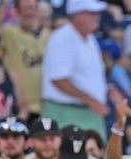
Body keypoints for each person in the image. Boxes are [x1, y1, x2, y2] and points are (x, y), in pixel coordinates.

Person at [42, 0, 109, 140]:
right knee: (68, 158)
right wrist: (91, 100)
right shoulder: (63, 37)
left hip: (89, 113)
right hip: (66, 112)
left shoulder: (90, 39)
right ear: (77, 14)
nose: (97, 16)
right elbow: (59, 79)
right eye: (91, 13)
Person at [0, 0, 51, 122]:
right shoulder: (10, 33)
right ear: (17, 12)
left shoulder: (50, 35)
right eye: (26, 9)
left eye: (33, 7)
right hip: (20, 106)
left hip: (47, 106)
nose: (30, 12)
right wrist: (3, 3)